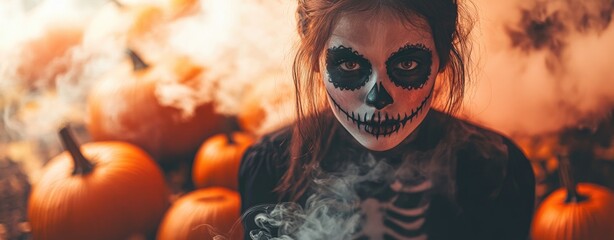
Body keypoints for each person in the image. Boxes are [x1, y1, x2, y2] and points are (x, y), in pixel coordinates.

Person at [239, 0, 535, 239]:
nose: (377, 99)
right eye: (350, 63)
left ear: (442, 55)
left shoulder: (497, 171)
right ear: (312, 52)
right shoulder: (271, 167)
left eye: (407, 64)